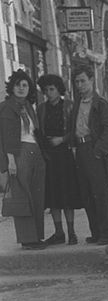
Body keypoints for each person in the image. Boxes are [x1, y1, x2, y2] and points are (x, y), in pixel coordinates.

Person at [70, 64, 108, 245]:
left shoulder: (101, 104)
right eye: (76, 82)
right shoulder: (76, 104)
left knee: (101, 194)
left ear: (92, 80)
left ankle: (107, 233)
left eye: (83, 81)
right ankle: (96, 232)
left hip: (94, 150)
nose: (80, 85)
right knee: (88, 194)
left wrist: (99, 151)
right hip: (81, 151)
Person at [0, 69, 46, 250]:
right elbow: (7, 136)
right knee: (23, 196)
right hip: (19, 153)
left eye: (25, 85)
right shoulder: (5, 107)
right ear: (11, 87)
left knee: (37, 194)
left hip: (35, 151)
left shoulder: (28, 106)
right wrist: (10, 160)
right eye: (17, 84)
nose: (21, 88)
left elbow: (35, 131)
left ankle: (37, 237)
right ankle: (28, 239)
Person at [37, 74, 82, 245]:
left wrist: (62, 139)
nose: (49, 93)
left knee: (67, 194)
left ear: (58, 90)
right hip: (48, 156)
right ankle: (58, 232)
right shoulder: (41, 109)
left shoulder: (69, 106)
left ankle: (72, 232)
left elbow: (75, 130)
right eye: (46, 90)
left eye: (52, 89)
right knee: (53, 195)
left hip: (64, 154)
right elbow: (38, 131)